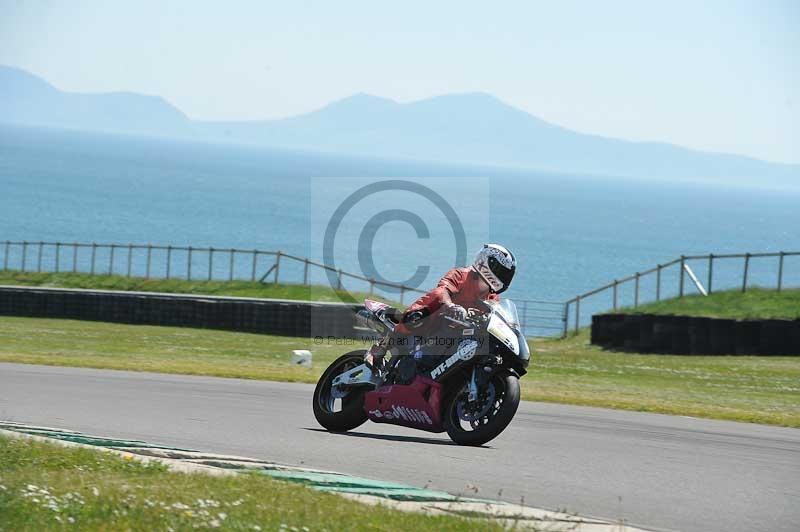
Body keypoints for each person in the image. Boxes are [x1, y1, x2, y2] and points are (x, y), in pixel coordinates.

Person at [393, 244, 517, 358]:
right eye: (501, 271)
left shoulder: (491, 297)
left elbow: (495, 314)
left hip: (456, 336)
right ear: (484, 261)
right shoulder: (460, 275)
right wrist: (451, 306)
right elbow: (442, 290)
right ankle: (395, 336)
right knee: (434, 298)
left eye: (507, 274)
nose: (503, 277)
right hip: (434, 324)